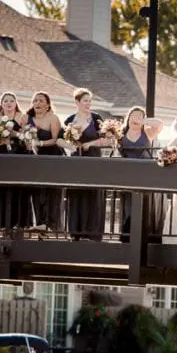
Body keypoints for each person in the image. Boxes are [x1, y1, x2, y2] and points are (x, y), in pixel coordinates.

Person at [63, 88, 109, 241]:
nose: (88, 104)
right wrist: (71, 145)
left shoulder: (96, 118)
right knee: (77, 194)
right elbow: (65, 141)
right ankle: (76, 231)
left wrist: (90, 143)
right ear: (77, 102)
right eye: (85, 101)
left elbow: (105, 139)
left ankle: (93, 232)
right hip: (76, 160)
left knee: (93, 194)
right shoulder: (70, 120)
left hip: (94, 160)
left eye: (90, 101)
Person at [119, 106, 164, 243]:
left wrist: (143, 120)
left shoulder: (147, 133)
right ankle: (128, 237)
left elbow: (160, 124)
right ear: (129, 117)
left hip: (145, 175)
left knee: (144, 207)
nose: (136, 119)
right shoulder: (120, 135)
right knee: (129, 207)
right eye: (134, 115)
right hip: (127, 175)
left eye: (140, 116)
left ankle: (144, 238)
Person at [0, 92, 29, 233]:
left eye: (12, 100)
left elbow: (27, 137)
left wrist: (14, 134)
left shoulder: (22, 117)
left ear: (16, 103)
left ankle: (19, 224)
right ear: (1, 103)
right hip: (2, 155)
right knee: (0, 188)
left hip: (19, 154)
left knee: (18, 189)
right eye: (6, 101)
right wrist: (2, 140)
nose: (9, 103)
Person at [26, 91, 65, 235]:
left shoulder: (53, 118)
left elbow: (55, 139)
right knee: (36, 191)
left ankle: (50, 224)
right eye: (35, 100)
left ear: (48, 105)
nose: (37, 103)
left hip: (52, 158)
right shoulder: (28, 118)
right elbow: (23, 135)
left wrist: (40, 143)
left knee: (51, 192)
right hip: (35, 160)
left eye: (41, 101)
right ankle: (39, 223)